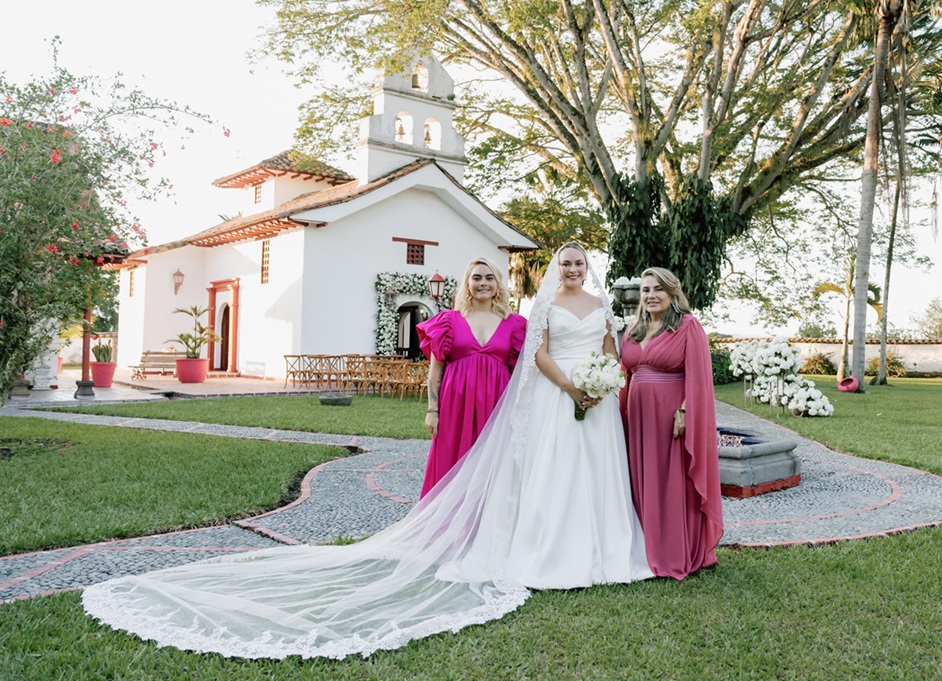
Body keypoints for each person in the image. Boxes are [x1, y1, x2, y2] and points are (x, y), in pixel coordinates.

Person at [82, 244, 652, 660]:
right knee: (501, 470)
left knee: (559, 473)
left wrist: (600, 385)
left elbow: (580, 356)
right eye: (566, 263)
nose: (573, 269)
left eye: (580, 263)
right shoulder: (514, 313)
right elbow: (516, 362)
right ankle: (483, 536)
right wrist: (441, 404)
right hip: (504, 399)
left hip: (549, 402)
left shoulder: (557, 314)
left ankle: (582, 543)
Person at [619, 267, 724, 580]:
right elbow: (626, 373)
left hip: (669, 413)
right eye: (646, 290)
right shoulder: (633, 329)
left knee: (670, 480)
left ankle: (675, 550)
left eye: (658, 290)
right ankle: (645, 547)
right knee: (641, 478)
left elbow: (699, 377)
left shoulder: (688, 326)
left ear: (672, 293)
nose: (651, 296)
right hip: (636, 415)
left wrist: (685, 411)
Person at [417, 257, 526, 497]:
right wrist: (432, 409)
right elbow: (435, 370)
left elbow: (519, 372)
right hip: (454, 405)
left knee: (491, 465)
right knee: (451, 463)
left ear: (498, 284)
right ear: (467, 283)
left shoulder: (514, 324)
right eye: (476, 278)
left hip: (495, 406)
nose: (483, 283)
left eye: (489, 278)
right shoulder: (448, 321)